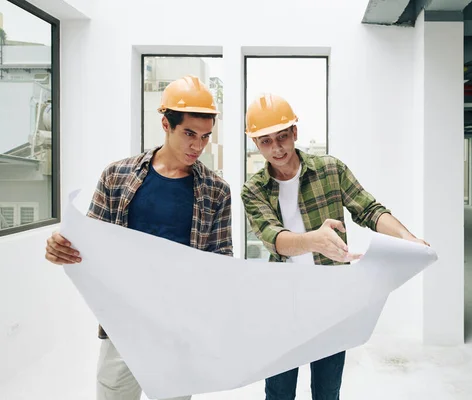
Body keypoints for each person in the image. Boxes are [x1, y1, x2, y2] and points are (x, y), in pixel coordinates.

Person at [44, 75, 233, 400]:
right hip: (123, 323)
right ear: (165, 124)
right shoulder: (117, 176)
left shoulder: (216, 191)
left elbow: (221, 262)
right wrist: (59, 247)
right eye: (189, 134)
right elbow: (90, 247)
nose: (198, 146)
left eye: (205, 137)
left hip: (178, 328)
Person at [241, 93, 428, 400]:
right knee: (279, 392)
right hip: (282, 304)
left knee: (328, 393)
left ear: (295, 133)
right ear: (255, 143)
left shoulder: (330, 170)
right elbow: (274, 239)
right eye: (265, 141)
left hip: (331, 302)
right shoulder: (254, 189)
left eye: (282, 137)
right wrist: (316, 240)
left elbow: (369, 209)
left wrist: (406, 237)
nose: (276, 148)